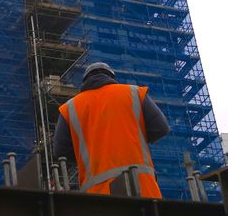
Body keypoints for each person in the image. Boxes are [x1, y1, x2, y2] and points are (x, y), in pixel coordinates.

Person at [53, 62, 170, 197]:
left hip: (98, 196)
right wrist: (132, 139)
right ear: (112, 78)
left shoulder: (71, 107)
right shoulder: (133, 92)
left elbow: (60, 151)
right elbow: (161, 128)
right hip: (142, 188)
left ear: (84, 82)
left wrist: (91, 150)